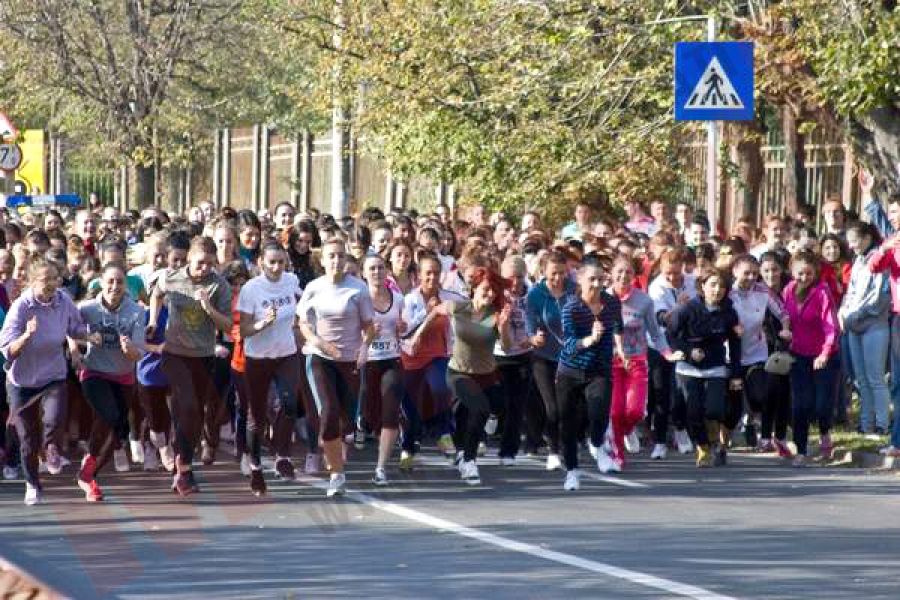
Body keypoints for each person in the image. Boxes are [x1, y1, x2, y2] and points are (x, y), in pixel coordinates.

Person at [0, 260, 97, 505]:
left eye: (56, 278)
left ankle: (52, 448)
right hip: (22, 380)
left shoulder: (63, 300)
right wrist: (26, 335)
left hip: (53, 374)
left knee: (54, 417)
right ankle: (32, 483)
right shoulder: (22, 307)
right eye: (46, 280)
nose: (52, 284)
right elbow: (7, 350)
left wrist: (88, 334)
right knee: (27, 438)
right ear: (33, 283)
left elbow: (74, 327)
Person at [149, 236, 233, 496]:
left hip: (203, 356)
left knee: (194, 416)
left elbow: (227, 326)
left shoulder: (219, 285)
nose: (205, 268)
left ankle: (183, 468)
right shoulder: (171, 277)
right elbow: (156, 293)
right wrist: (153, 321)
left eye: (210, 264)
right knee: (187, 406)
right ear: (189, 259)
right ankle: (184, 468)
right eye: (200, 263)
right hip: (175, 353)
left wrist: (208, 307)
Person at [297, 238, 375, 497]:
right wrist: (319, 342)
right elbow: (303, 324)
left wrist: (364, 349)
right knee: (328, 412)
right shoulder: (313, 288)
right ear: (322, 260)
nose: (336, 261)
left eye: (341, 256)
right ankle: (336, 474)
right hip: (320, 358)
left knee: (346, 419)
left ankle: (337, 445)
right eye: (331, 256)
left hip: (349, 361)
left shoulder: (358, 288)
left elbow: (369, 326)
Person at [71, 263, 145, 502]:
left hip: (123, 377)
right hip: (94, 372)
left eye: (120, 282)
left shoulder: (136, 311)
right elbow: (69, 327)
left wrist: (129, 349)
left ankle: (89, 473)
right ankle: (87, 475)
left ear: (126, 285)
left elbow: (139, 352)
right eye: (110, 281)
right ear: (101, 283)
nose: (115, 287)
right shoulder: (87, 308)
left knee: (116, 430)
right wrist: (75, 350)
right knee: (110, 415)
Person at [238, 241, 304, 496]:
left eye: (281, 262)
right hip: (258, 357)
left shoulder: (291, 280)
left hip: (286, 353)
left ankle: (282, 456)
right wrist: (261, 324)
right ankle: (255, 467)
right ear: (261, 263)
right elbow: (242, 330)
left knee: (289, 404)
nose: (277, 267)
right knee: (257, 416)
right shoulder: (251, 289)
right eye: (271, 262)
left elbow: (302, 301)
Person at [556, 256, 625, 491]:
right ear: (580, 279)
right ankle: (572, 472)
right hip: (570, 370)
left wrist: (619, 346)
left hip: (599, 369)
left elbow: (618, 325)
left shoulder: (611, 303)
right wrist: (590, 339)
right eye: (591, 280)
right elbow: (568, 344)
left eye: (600, 279)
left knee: (599, 412)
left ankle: (597, 444)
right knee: (568, 423)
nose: (596, 285)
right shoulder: (571, 308)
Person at [443, 266, 512, 485]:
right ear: (473, 288)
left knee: (492, 408)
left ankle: (464, 453)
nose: (490, 294)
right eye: (485, 289)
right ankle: (469, 461)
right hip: (458, 373)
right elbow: (435, 312)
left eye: (493, 290)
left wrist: (504, 327)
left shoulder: (496, 315)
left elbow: (508, 347)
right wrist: (416, 336)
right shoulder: (457, 307)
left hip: (487, 375)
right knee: (475, 410)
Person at [608, 256, 679, 467]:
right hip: (610, 363)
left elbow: (656, 333)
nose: (623, 277)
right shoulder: (602, 299)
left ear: (634, 275)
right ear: (611, 274)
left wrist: (666, 352)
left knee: (635, 411)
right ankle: (617, 454)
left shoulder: (644, 300)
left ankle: (627, 430)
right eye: (619, 272)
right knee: (615, 411)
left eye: (628, 272)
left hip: (636, 361)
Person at [668, 269, 742, 468]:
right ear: (702, 287)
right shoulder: (687, 310)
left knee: (715, 409)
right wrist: (689, 350)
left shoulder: (729, 313)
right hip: (688, 369)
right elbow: (671, 335)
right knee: (693, 412)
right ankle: (702, 446)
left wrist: (736, 374)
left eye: (722, 286)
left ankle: (714, 439)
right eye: (713, 285)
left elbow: (735, 345)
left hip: (716, 367)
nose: (717, 290)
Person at [399, 254, 460, 468]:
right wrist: (426, 313)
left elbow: (470, 308)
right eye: (428, 273)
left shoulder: (448, 297)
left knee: (441, 387)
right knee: (410, 406)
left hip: (437, 355)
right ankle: (408, 447)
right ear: (418, 276)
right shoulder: (410, 300)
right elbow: (404, 331)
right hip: (411, 357)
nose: (432, 277)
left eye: (436, 272)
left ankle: (443, 432)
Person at [783, 251, 840, 467]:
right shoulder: (788, 290)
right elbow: (783, 316)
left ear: (815, 273)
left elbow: (831, 326)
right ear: (792, 271)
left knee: (822, 405)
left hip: (824, 355)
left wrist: (825, 353)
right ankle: (801, 449)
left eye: (808, 274)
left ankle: (825, 432)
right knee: (801, 404)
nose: (804, 278)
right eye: (800, 273)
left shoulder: (822, 292)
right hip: (798, 354)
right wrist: (785, 329)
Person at [729, 255, 792, 449]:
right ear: (735, 271)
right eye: (746, 273)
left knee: (762, 394)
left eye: (755, 273)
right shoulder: (727, 293)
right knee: (730, 403)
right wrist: (730, 328)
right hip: (730, 354)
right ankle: (729, 434)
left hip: (756, 352)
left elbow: (783, 312)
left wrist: (786, 328)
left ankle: (761, 432)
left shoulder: (762, 291)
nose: (750, 277)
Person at [524, 251, 576, 470]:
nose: (558, 278)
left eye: (562, 273)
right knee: (552, 407)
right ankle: (554, 450)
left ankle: (567, 445)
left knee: (568, 407)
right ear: (543, 272)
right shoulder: (535, 295)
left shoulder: (574, 290)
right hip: (543, 358)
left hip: (570, 356)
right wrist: (533, 337)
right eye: (554, 274)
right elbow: (529, 325)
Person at [360, 253, 406, 486]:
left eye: (380, 268)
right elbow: (350, 332)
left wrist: (402, 328)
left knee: (390, 410)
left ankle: (380, 467)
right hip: (366, 362)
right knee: (372, 415)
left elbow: (404, 330)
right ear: (364, 273)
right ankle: (379, 436)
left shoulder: (397, 299)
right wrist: (367, 334)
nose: (377, 272)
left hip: (391, 359)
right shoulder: (358, 298)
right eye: (372, 269)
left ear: (387, 271)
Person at [840, 222, 890, 435]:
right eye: (849, 242)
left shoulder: (879, 260)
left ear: (868, 238)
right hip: (853, 325)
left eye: (855, 241)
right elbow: (850, 292)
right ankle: (866, 421)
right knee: (860, 379)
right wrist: (843, 311)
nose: (851, 246)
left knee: (875, 377)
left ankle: (881, 423)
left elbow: (879, 296)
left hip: (873, 325)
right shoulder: (858, 261)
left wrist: (858, 314)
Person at [647, 249, 696, 455]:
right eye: (668, 272)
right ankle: (659, 441)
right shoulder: (656, 287)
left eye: (676, 273)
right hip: (660, 343)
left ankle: (681, 428)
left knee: (680, 391)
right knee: (661, 392)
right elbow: (661, 319)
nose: (673, 277)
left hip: (683, 341)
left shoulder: (693, 282)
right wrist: (679, 306)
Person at [492, 256, 532, 466]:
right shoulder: (496, 296)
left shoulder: (531, 296)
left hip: (523, 356)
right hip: (497, 356)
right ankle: (491, 418)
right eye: (510, 278)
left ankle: (508, 451)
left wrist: (533, 339)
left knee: (516, 406)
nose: (515, 282)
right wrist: (503, 324)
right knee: (499, 402)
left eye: (519, 277)